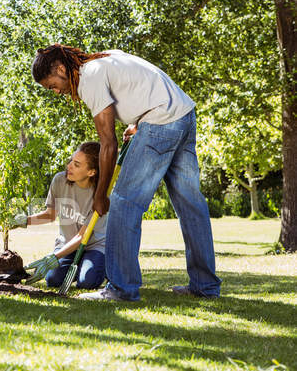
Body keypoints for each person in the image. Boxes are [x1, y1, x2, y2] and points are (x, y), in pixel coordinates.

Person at [31, 44, 221, 301]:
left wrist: (101, 195)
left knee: (123, 203)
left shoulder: (90, 77)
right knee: (191, 205)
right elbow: (143, 86)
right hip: (184, 114)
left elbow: (108, 145)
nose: (55, 91)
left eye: (51, 84)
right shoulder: (107, 58)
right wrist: (137, 121)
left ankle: (121, 289)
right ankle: (205, 286)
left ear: (61, 68)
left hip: (161, 122)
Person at [18, 142, 107, 289]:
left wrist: (53, 258)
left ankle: (99, 266)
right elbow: (50, 215)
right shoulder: (59, 180)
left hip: (94, 246)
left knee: (87, 282)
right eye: (71, 160)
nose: (69, 166)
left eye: (76, 165)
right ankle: (80, 266)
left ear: (91, 172)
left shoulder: (100, 195)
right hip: (67, 245)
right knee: (52, 280)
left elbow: (82, 236)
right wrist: (24, 221)